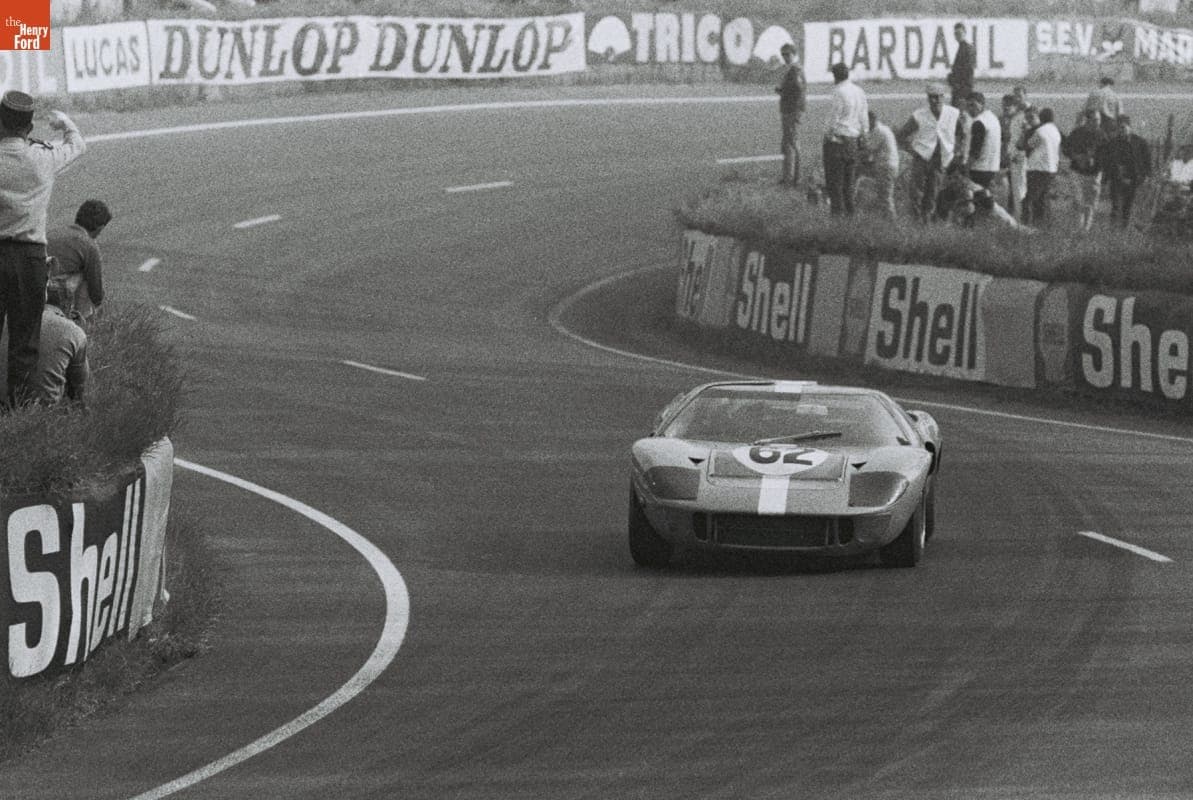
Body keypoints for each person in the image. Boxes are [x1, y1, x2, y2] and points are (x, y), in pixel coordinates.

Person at [0, 90, 85, 406]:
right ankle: (18, 411)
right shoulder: (43, 157)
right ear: (29, 127)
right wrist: (66, 124)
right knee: (25, 340)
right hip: (29, 256)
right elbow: (77, 146)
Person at [897, 82, 964, 222]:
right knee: (917, 191)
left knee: (934, 190)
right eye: (932, 97)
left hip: (941, 158)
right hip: (922, 157)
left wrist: (956, 150)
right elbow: (902, 135)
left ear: (943, 97)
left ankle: (927, 219)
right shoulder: (919, 115)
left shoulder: (953, 113)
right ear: (928, 98)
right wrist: (912, 150)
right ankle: (916, 219)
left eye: (939, 97)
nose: (936, 100)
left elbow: (961, 134)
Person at [46, 199, 110, 324]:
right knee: (87, 277)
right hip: (56, 291)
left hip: (36, 283)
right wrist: (99, 305)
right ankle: (80, 322)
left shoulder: (53, 233)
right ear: (100, 228)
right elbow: (96, 290)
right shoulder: (89, 245)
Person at [28, 276, 89, 405]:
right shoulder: (73, 331)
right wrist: (80, 335)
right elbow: (79, 385)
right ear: (68, 306)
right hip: (43, 407)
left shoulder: (12, 318)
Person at [822, 62, 869, 217]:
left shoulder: (838, 92)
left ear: (835, 76)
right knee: (849, 183)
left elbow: (833, 117)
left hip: (838, 140)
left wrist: (827, 135)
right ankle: (850, 215)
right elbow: (864, 117)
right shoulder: (859, 91)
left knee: (834, 183)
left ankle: (837, 216)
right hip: (853, 140)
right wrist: (864, 134)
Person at [1099, 114, 1152, 227]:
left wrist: (1147, 175)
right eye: (1118, 128)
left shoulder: (1140, 142)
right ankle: (1113, 228)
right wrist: (1104, 180)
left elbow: (1147, 160)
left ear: (1129, 127)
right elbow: (1107, 163)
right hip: (1116, 178)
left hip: (1134, 179)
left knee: (1128, 205)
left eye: (1123, 127)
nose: (1120, 130)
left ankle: (1124, 227)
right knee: (1116, 204)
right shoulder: (1113, 143)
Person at [1061, 108, 1108, 231]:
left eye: (1099, 120)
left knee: (1090, 203)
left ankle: (1086, 229)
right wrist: (1076, 157)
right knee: (1078, 201)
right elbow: (1066, 148)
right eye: (1095, 120)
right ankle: (1078, 227)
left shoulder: (1102, 135)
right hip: (1077, 172)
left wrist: (1094, 159)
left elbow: (1106, 155)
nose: (1097, 122)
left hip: (1093, 173)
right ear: (1088, 120)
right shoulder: (1077, 133)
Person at [1021, 107, 1062, 226]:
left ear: (1041, 117)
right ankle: (1042, 224)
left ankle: (1026, 224)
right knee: (1043, 199)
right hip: (1051, 168)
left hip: (1037, 168)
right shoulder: (1055, 131)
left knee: (1029, 199)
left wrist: (1025, 132)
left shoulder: (1040, 131)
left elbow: (1027, 145)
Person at [775, 44, 807, 187]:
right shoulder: (792, 69)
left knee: (791, 143)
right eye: (783, 54)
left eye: (787, 54)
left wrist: (783, 92)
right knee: (789, 143)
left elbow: (799, 89)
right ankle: (791, 176)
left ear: (794, 54)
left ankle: (792, 178)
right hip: (791, 109)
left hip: (792, 110)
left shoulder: (795, 69)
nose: (785, 57)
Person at [865, 109, 899, 218]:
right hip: (889, 165)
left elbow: (869, 148)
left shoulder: (878, 131)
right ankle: (887, 219)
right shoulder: (883, 129)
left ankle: (891, 220)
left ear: (871, 120)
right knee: (883, 195)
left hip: (886, 166)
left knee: (885, 196)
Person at [1000, 94, 1029, 218]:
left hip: (1018, 157)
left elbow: (1025, 137)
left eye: (1008, 106)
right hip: (1009, 156)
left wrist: (1019, 152)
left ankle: (1018, 215)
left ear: (1015, 107)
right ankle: (1014, 213)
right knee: (1012, 187)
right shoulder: (1005, 119)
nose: (1005, 108)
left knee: (1018, 187)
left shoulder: (1021, 119)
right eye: (1004, 106)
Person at [966, 92, 1002, 190]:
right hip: (993, 167)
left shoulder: (979, 122)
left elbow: (975, 151)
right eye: (968, 106)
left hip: (979, 169)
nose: (970, 109)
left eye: (973, 105)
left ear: (981, 104)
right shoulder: (993, 118)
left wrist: (966, 169)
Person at [948, 23, 975, 108]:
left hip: (962, 88)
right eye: (956, 33)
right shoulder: (962, 47)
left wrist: (956, 81)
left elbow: (968, 70)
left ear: (965, 33)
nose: (958, 36)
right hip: (960, 87)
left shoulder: (967, 48)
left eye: (960, 33)